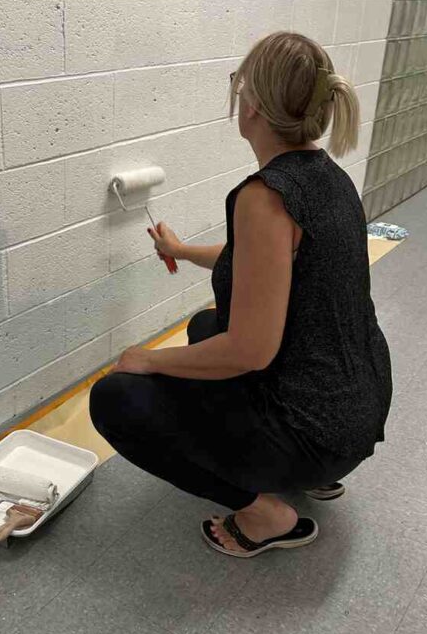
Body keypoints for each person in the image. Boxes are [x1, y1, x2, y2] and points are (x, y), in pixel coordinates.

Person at [90, 32, 392, 558]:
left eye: (237, 82)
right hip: (356, 411)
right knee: (208, 326)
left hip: (317, 432)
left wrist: (150, 361)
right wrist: (182, 250)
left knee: (117, 398)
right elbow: (258, 264)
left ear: (251, 104)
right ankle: (309, 475)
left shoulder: (264, 197)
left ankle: (266, 513)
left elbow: (253, 351)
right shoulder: (326, 177)